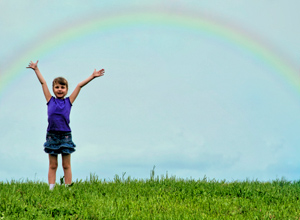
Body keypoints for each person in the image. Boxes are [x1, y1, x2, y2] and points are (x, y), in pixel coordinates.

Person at [26, 60, 105, 190]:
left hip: (65, 136)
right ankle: (51, 188)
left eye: (63, 87)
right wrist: (36, 69)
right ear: (53, 89)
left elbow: (79, 86)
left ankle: (68, 188)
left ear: (67, 90)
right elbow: (43, 82)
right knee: (53, 165)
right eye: (57, 87)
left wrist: (92, 76)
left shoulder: (69, 101)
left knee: (66, 165)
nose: (60, 89)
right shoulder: (49, 100)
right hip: (52, 135)